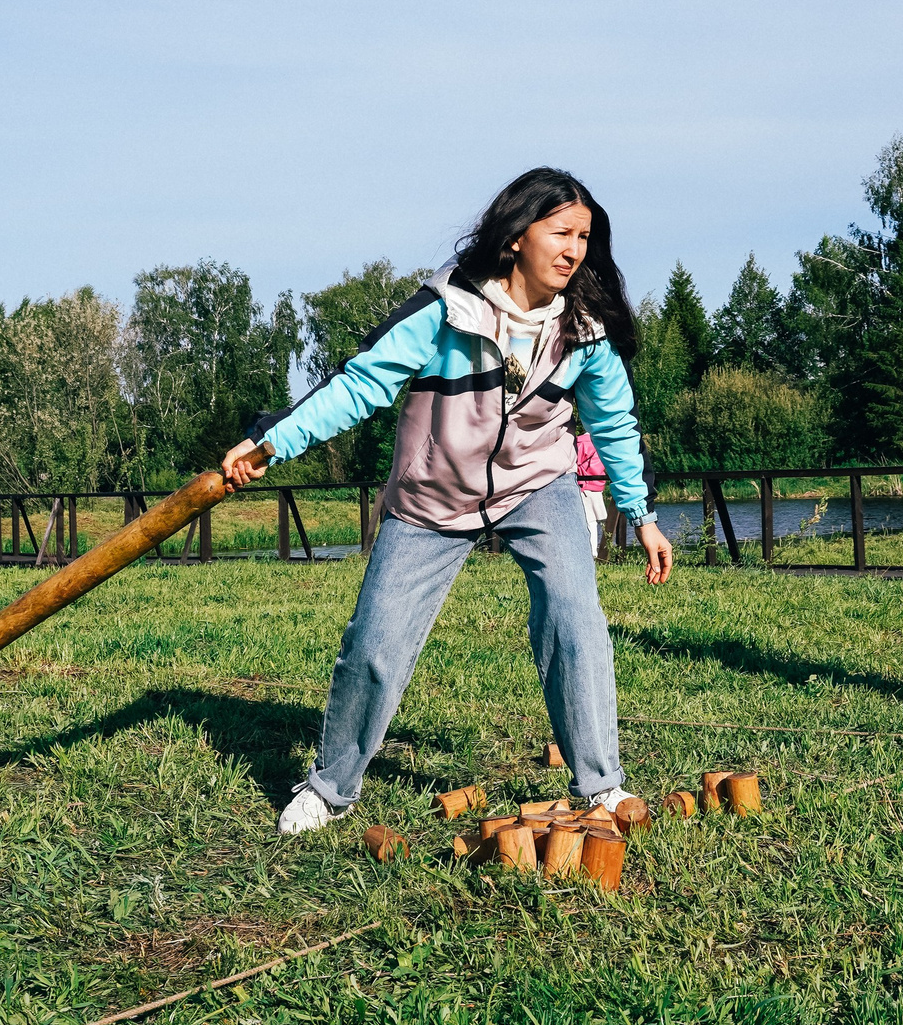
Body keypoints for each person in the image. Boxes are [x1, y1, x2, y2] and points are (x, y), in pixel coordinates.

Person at [219, 168, 678, 833]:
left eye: (585, 236)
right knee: (376, 642)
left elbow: (614, 427)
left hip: (536, 484)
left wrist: (643, 517)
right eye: (562, 232)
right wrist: (271, 443)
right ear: (519, 235)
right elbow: (358, 385)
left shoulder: (586, 331)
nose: (576, 248)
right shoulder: (444, 311)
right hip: (432, 495)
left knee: (576, 617)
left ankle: (601, 785)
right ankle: (329, 786)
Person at [573, 429, 610, 553]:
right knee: (598, 521)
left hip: (583, 484)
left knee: (588, 521)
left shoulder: (580, 442)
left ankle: (590, 552)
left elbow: (574, 462)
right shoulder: (602, 442)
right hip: (598, 485)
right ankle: (600, 550)